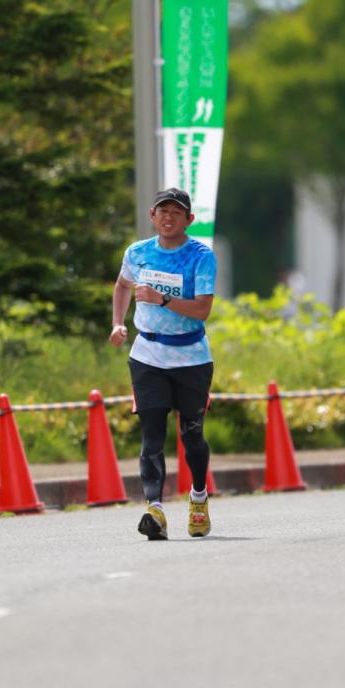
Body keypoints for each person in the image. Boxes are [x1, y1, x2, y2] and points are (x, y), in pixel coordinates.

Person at [109, 187, 216, 540]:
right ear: (152, 216)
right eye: (162, 211)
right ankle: (154, 508)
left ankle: (198, 497)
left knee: (192, 434)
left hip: (191, 357)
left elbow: (202, 309)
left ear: (189, 219)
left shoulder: (200, 256)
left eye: (176, 212)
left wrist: (163, 299)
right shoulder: (137, 252)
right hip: (148, 355)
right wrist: (118, 322)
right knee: (151, 434)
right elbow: (122, 285)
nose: (168, 217)